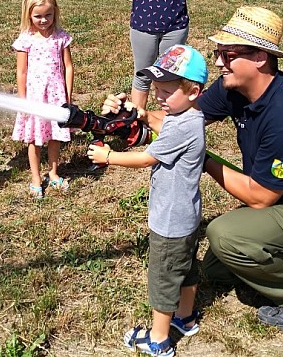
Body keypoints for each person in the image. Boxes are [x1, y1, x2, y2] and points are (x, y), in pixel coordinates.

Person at [102, 6, 283, 331]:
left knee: (226, 237)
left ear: (260, 58)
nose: (219, 63)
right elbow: (179, 121)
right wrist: (133, 115)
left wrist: (203, 160)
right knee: (217, 268)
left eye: (229, 54)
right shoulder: (233, 88)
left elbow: (260, 197)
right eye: (218, 53)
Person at [88, 45, 208, 357]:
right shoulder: (189, 117)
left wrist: (108, 156)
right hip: (186, 216)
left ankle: (159, 340)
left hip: (169, 221)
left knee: (163, 278)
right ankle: (185, 318)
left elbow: (145, 159)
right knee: (185, 269)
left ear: (193, 92)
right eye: (156, 89)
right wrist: (140, 114)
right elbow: (162, 125)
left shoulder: (181, 125)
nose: (158, 96)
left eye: (166, 91)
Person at [12, 0, 74, 199]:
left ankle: (54, 172)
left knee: (55, 136)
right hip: (35, 98)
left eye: (48, 15)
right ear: (28, 14)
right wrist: (23, 100)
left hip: (56, 96)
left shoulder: (61, 37)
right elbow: (21, 72)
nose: (44, 20)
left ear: (55, 12)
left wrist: (68, 95)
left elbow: (68, 67)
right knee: (35, 138)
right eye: (38, 16)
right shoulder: (26, 40)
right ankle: (36, 177)